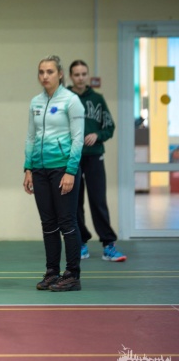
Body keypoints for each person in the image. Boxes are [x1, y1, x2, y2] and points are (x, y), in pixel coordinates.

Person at [23, 55, 85, 292]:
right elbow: (31, 137)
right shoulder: (35, 102)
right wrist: (28, 168)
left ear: (60, 74)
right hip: (40, 170)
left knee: (67, 222)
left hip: (63, 168)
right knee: (48, 223)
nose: (45, 76)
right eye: (41, 72)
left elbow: (78, 139)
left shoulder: (72, 101)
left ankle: (72, 274)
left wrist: (70, 171)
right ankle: (52, 272)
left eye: (49, 71)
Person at [68, 60, 127, 262]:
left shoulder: (98, 99)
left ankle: (108, 245)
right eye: (77, 74)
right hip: (73, 157)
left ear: (88, 75)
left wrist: (97, 135)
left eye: (84, 74)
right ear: (71, 77)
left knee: (98, 200)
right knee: (74, 202)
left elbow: (109, 126)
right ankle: (80, 243)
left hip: (94, 156)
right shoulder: (65, 98)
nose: (80, 78)